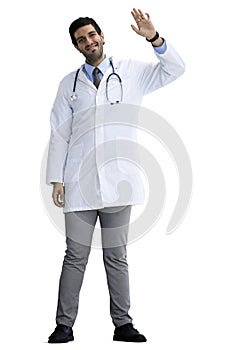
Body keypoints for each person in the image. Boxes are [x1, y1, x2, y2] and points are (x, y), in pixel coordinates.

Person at [46, 8, 185, 343]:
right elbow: (58, 132)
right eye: (82, 40)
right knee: (75, 256)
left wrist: (154, 38)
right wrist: (57, 179)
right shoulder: (70, 84)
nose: (89, 42)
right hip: (78, 182)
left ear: (102, 36)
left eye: (92, 35)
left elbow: (176, 69)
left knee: (116, 256)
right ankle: (64, 325)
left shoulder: (131, 72)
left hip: (119, 181)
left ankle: (123, 324)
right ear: (76, 47)